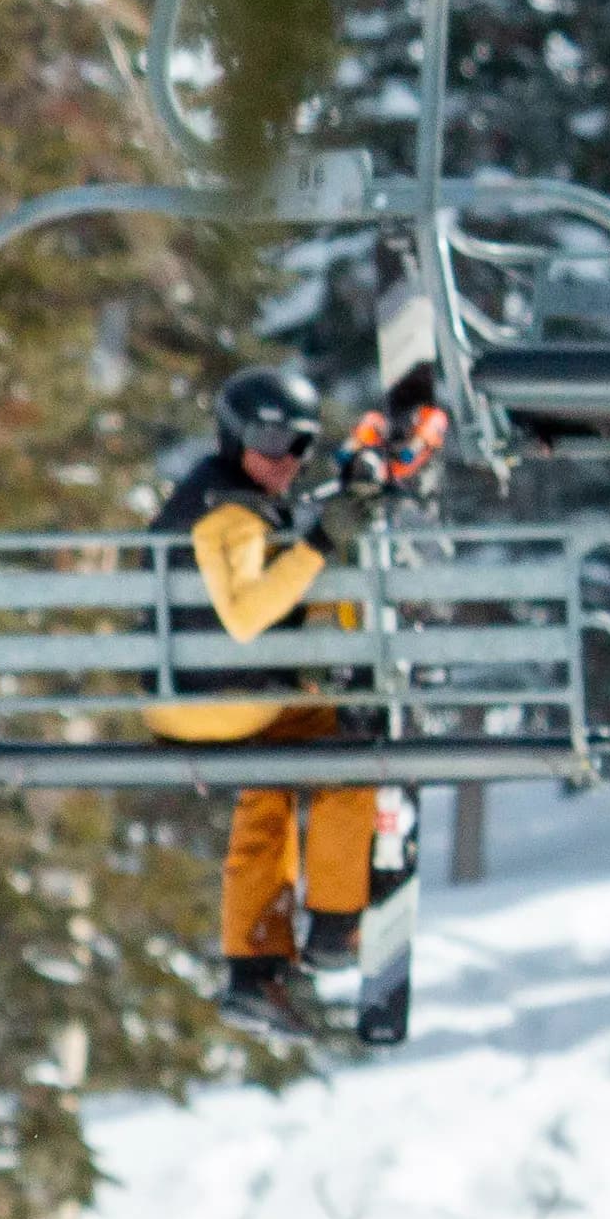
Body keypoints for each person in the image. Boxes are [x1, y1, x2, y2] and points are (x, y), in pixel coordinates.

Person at [145, 364, 377, 1032]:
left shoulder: (217, 496)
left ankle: (255, 966)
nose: (285, 460)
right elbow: (246, 616)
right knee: (350, 748)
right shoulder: (229, 512)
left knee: (269, 783)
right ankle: (335, 925)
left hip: (186, 699)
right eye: (271, 439)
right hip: (221, 699)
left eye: (300, 445)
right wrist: (323, 541)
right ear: (234, 433)